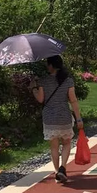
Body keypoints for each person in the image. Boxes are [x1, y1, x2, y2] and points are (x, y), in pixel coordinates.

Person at [30, 55, 83, 183]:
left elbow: (40, 99)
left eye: (47, 64)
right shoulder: (68, 80)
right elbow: (73, 100)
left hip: (50, 117)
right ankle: (63, 167)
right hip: (64, 116)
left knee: (54, 146)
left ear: (51, 65)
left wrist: (34, 89)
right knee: (66, 143)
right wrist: (79, 118)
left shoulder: (43, 80)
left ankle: (56, 171)